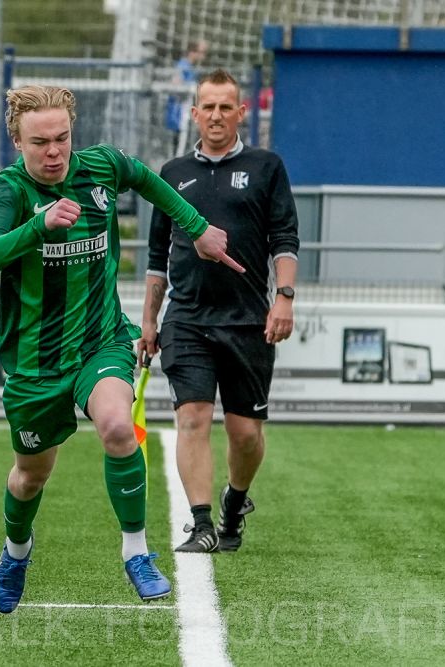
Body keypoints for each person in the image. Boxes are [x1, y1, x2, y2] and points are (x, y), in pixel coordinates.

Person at [0, 84, 244, 613]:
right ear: (17, 142)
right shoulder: (6, 192)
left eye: (62, 138)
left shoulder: (100, 167)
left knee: (119, 427)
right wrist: (38, 226)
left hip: (101, 341)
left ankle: (136, 553)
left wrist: (196, 228)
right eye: (40, 143)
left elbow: (146, 178)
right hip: (35, 363)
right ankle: (16, 552)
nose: (55, 152)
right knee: (29, 477)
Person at [139, 68, 299, 554]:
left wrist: (284, 297)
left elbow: (285, 240)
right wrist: (148, 321)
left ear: (241, 112)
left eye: (225, 106)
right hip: (186, 318)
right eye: (207, 106)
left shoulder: (267, 166)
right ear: (194, 113)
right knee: (192, 418)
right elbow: (157, 256)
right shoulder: (171, 174)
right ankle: (202, 523)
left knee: (245, 434)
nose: (215, 115)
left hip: (248, 320)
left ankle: (235, 500)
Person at [164, 39, 208, 156]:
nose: (204, 56)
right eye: (202, 52)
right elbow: (176, 84)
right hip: (178, 112)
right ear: (193, 52)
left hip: (185, 112)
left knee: (183, 143)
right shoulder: (183, 66)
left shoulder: (191, 68)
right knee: (178, 145)